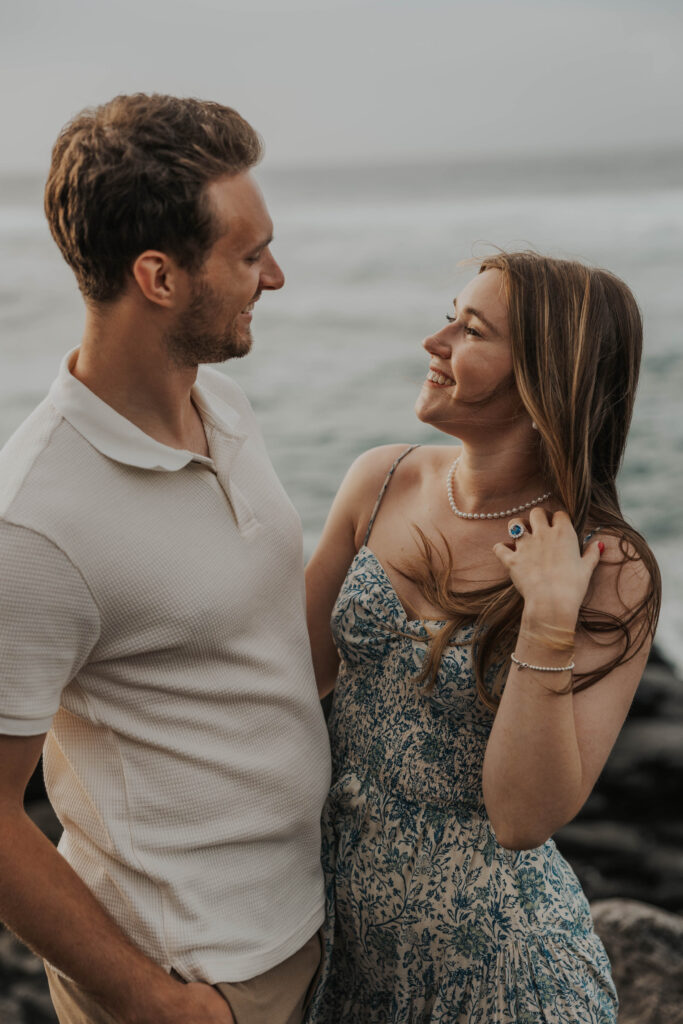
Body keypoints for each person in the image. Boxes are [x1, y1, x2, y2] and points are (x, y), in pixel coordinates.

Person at [0, 93, 331, 1024]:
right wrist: (151, 1002)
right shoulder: (32, 521)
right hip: (196, 976)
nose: (275, 278)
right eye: (248, 255)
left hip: (308, 919)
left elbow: (250, 638)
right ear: (158, 276)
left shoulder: (221, 407)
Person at [304, 251, 660, 1023]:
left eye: (469, 329)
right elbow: (283, 678)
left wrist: (549, 617)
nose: (434, 341)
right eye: (449, 315)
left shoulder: (609, 563)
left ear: (541, 379)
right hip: (340, 948)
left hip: (500, 974)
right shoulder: (380, 481)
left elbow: (521, 817)